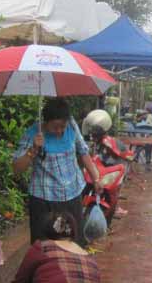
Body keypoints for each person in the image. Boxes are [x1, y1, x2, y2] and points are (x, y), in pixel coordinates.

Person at [12, 98, 102, 246]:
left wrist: (96, 179)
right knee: (44, 246)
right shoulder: (33, 133)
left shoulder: (72, 126)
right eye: (55, 127)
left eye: (62, 126)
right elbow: (16, 168)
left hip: (72, 195)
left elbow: (83, 152)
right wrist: (33, 150)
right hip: (44, 200)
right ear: (45, 122)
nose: (59, 130)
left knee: (74, 243)